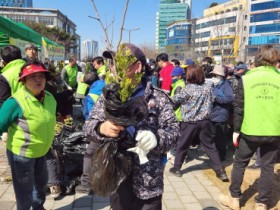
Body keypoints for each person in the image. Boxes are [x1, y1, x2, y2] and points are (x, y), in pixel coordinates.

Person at [83, 43, 180, 209]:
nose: (114, 67)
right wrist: (102, 128)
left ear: (138, 66)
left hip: (149, 180)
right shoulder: (109, 97)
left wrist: (156, 138)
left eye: (120, 63)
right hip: (117, 177)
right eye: (113, 63)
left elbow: (174, 131)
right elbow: (88, 127)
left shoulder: (158, 98)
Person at [219, 45, 280, 210]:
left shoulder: (246, 79)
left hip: (249, 130)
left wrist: (236, 130)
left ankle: (234, 198)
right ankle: (262, 203)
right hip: (274, 131)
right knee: (268, 167)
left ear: (258, 59)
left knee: (239, 163)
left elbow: (239, 108)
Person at [0, 61, 56, 210]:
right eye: (32, 77)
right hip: (22, 156)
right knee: (24, 193)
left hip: (42, 152)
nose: (38, 80)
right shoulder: (15, 102)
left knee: (41, 186)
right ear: (23, 80)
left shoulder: (50, 97)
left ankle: (38, 207)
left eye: (41, 76)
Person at [169, 64, 229, 182]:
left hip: (190, 123)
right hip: (205, 122)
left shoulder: (188, 88)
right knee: (210, 146)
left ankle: (176, 168)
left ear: (190, 75)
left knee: (183, 145)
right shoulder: (208, 86)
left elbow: (175, 100)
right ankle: (220, 171)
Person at [210, 65, 234, 161]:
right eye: (213, 75)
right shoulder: (212, 85)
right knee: (213, 136)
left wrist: (216, 99)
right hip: (212, 114)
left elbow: (229, 99)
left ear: (220, 76)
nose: (214, 77)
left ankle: (221, 156)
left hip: (221, 115)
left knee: (220, 138)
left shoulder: (226, 86)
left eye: (215, 75)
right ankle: (215, 156)